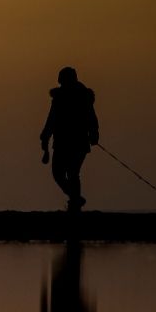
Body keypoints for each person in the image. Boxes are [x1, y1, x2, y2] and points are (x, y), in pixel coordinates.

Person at [40, 67, 99, 211]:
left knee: (67, 173)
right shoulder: (73, 97)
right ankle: (75, 200)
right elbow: (52, 119)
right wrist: (45, 137)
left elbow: (91, 117)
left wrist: (94, 133)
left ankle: (75, 202)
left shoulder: (78, 97)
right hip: (68, 143)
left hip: (71, 143)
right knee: (64, 174)